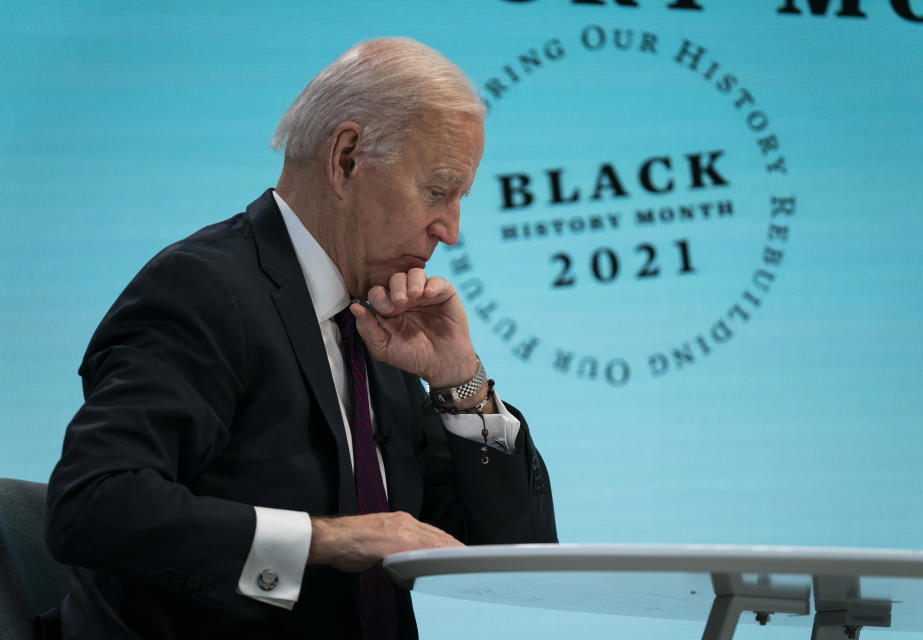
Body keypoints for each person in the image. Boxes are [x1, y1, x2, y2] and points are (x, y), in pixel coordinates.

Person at [44, 37, 557, 639]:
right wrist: (327, 539)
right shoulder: (203, 291)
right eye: (438, 190)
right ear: (346, 158)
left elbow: (518, 553)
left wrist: (460, 385)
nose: (451, 229)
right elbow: (93, 506)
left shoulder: (376, 324)